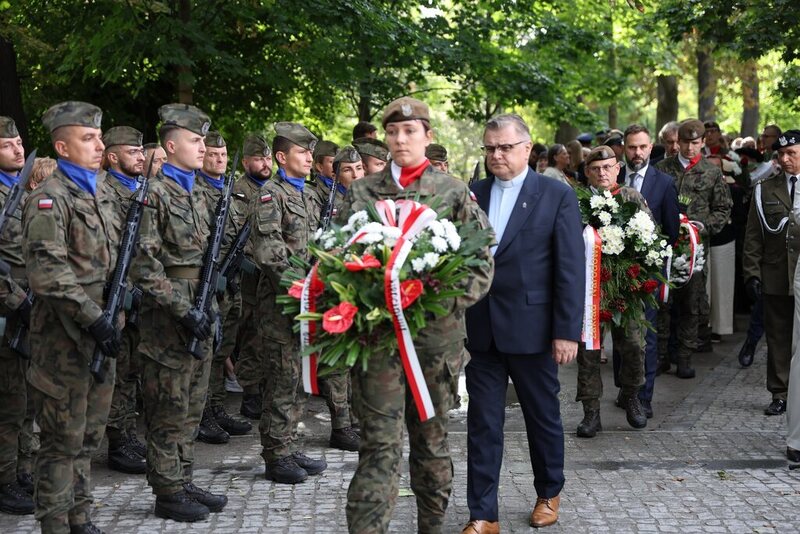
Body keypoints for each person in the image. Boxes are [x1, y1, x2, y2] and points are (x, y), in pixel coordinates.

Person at [337, 97, 493, 534]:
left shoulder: (453, 191)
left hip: (434, 342)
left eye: (410, 132)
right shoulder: (362, 193)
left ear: (428, 136)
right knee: (378, 446)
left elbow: (481, 261)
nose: (400, 140)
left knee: (430, 443)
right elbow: (337, 259)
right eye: (393, 133)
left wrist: (437, 302)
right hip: (378, 341)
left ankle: (431, 525)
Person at [462, 114, 582, 533]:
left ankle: (549, 493)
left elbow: (570, 267)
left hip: (533, 329)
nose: (496, 154)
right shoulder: (472, 193)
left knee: (542, 417)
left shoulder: (554, 195)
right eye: (490, 148)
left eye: (505, 147)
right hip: (482, 329)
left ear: (527, 149)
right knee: (482, 424)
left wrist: (567, 331)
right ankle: (483, 513)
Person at [22, 101, 121, 534]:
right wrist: (94, 318)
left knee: (89, 437)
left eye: (99, 137)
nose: (99, 145)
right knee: (61, 442)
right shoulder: (49, 198)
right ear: (62, 147)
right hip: (64, 337)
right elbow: (49, 275)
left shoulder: (100, 192)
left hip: (102, 328)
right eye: (88, 138)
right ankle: (55, 524)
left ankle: (81, 516)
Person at [129, 103, 227, 522]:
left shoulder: (198, 194)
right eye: (195, 140)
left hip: (201, 305)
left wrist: (212, 312)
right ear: (170, 146)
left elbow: (208, 261)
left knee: (192, 403)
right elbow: (143, 263)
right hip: (169, 314)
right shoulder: (154, 194)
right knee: (168, 405)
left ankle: (183, 478)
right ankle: (166, 489)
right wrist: (182, 308)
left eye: (204, 139)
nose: (203, 146)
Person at [248, 122, 327, 484]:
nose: (310, 157)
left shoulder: (310, 195)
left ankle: (289, 442)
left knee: (299, 377)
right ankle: (275, 453)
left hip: (309, 300)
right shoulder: (270, 196)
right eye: (302, 151)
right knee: (282, 377)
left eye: (311, 152)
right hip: (283, 303)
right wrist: (303, 290)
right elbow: (270, 253)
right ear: (282, 157)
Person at [576, 146, 651, 440]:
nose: (602, 172)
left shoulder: (631, 198)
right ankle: (591, 413)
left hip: (624, 287)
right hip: (589, 290)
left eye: (608, 167)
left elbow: (650, 238)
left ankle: (631, 396)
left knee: (634, 344)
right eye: (596, 168)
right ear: (587, 172)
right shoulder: (578, 202)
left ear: (618, 168)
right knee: (589, 351)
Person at [656, 119, 732, 379]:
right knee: (662, 302)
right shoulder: (662, 169)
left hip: (695, 251)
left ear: (702, 143)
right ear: (677, 142)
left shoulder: (711, 172)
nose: (689, 148)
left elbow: (723, 209)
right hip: (664, 249)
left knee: (692, 304)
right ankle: (662, 355)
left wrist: (704, 226)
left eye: (695, 143)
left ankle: (685, 356)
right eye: (685, 142)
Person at [614, 124, 680, 419]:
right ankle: (625, 390)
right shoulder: (611, 177)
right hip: (612, 274)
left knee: (646, 336)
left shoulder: (663, 183)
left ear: (650, 147)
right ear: (624, 148)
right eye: (631, 147)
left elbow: (671, 230)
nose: (637, 153)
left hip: (645, 274)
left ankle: (644, 396)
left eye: (642, 147)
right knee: (619, 333)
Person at [194, 131, 252, 444]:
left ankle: (216, 408)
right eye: (213, 154)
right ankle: (203, 414)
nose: (219, 160)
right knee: (209, 350)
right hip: (211, 280)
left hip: (233, 282)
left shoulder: (232, 192)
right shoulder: (197, 191)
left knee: (224, 347)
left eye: (223, 155)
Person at [307, 145, 364, 452]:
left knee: (356, 359)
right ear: (335, 173)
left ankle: (356, 419)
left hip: (361, 288)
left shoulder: (369, 200)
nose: (354, 175)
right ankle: (340, 424)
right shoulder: (323, 201)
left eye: (358, 170)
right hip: (332, 286)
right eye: (347, 170)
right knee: (337, 360)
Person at [99, 126, 148, 475]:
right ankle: (116, 441)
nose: (141, 157)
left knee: (131, 370)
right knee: (116, 369)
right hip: (116, 291)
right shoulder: (105, 190)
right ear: (112, 156)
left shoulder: (142, 189)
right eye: (133, 151)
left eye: (142, 151)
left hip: (141, 292)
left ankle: (128, 432)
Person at [743, 129, 800, 416]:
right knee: (778, 335)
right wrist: (752, 273)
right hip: (776, 273)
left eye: (792, 153)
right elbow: (753, 235)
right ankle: (780, 392)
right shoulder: (765, 188)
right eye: (781, 155)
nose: (785, 159)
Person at [0, 116, 34, 516]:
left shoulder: (25, 193)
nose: (18, 149)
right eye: (7, 145)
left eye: (19, 143)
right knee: (9, 405)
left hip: (33, 307)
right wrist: (16, 300)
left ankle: (25, 470)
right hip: (8, 311)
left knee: (29, 401)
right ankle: (5, 479)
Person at [234, 134, 274, 420]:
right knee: (251, 336)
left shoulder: (272, 188)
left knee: (265, 335)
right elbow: (237, 235)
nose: (265, 163)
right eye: (259, 158)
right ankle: (250, 394)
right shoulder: (240, 190)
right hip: (250, 276)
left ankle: (262, 389)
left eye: (268, 158)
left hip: (269, 274)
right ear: (246, 162)